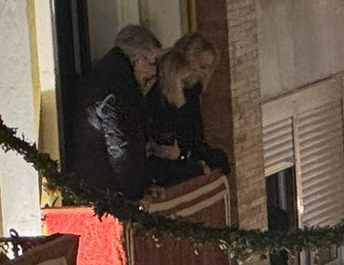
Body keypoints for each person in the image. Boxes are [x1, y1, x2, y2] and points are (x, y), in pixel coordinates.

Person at [70, 23, 162, 199]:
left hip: (98, 184)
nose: (154, 71)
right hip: (106, 191)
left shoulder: (110, 77)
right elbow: (122, 148)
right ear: (137, 59)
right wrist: (135, 195)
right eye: (152, 62)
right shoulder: (118, 89)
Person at [147, 31, 230, 185]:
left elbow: (195, 133)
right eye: (202, 67)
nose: (205, 73)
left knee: (220, 159)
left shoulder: (193, 88)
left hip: (185, 150)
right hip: (163, 155)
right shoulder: (159, 91)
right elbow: (164, 132)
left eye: (209, 68)